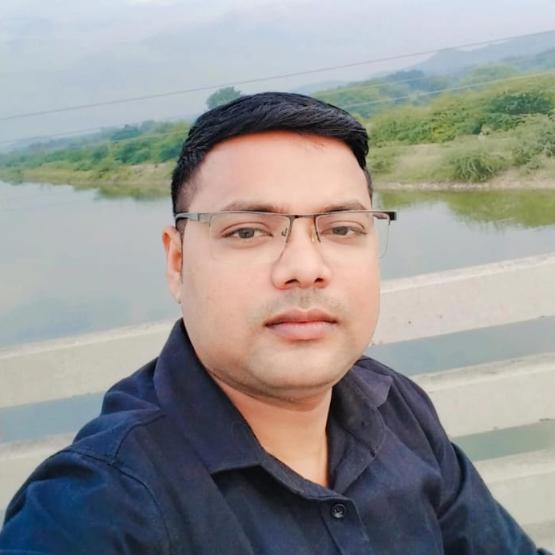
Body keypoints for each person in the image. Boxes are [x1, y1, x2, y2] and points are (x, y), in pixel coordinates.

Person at [0, 92, 550, 555]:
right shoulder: (96, 511)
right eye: (247, 232)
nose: (304, 268)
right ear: (178, 260)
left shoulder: (395, 405)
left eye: (342, 228)